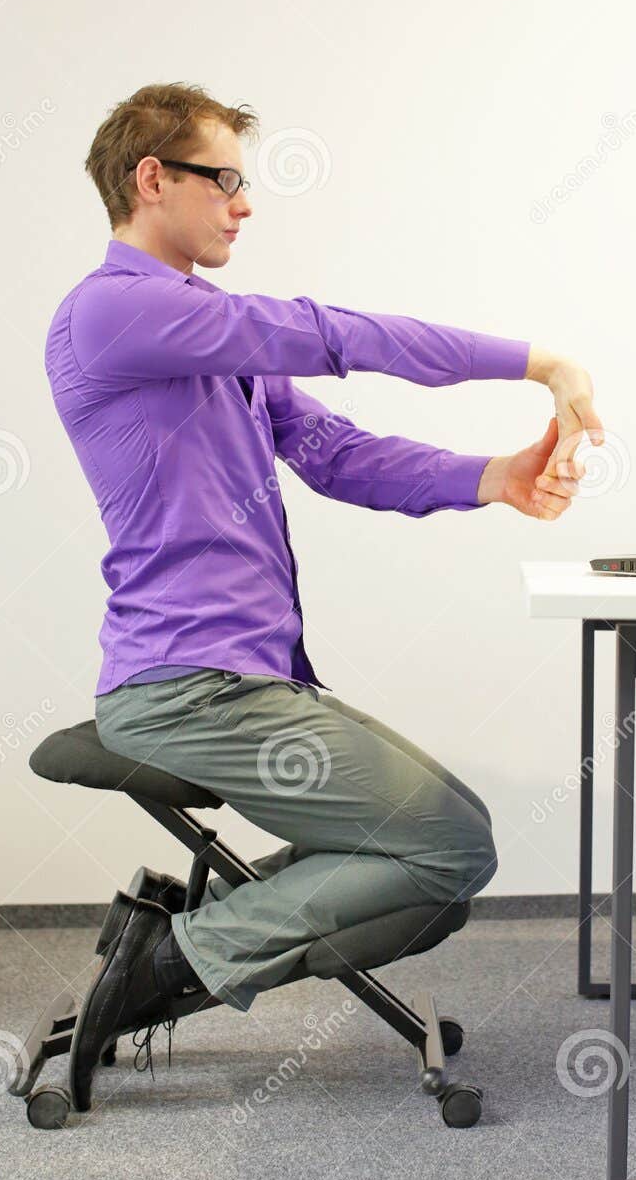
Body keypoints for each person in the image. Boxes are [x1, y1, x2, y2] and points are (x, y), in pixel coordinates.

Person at [44, 81, 605, 1100]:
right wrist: (538, 362)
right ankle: (168, 958)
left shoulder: (207, 331)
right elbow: (328, 333)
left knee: (443, 864)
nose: (244, 204)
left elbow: (335, 451)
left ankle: (171, 943)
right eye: (224, 180)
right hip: (184, 686)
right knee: (448, 845)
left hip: (254, 679)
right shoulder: (112, 310)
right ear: (151, 178)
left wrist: (493, 477)